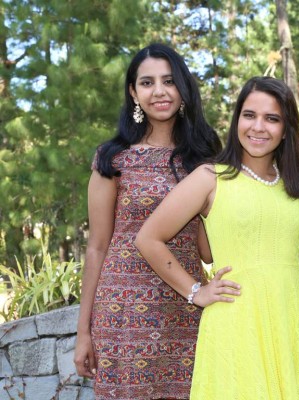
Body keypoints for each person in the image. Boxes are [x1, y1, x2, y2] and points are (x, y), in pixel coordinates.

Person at [135, 76, 299, 399]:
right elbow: (148, 238)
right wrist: (195, 292)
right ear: (236, 121)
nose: (258, 127)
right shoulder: (210, 177)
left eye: (272, 118)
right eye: (249, 115)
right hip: (237, 320)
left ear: (287, 128)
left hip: (292, 319)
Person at [73, 43, 222, 400]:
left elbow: (208, 247)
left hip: (186, 307)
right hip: (122, 312)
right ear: (133, 92)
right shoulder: (113, 158)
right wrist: (83, 332)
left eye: (169, 81)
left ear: (183, 88)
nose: (159, 91)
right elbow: (96, 247)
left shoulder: (206, 156)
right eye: (147, 82)